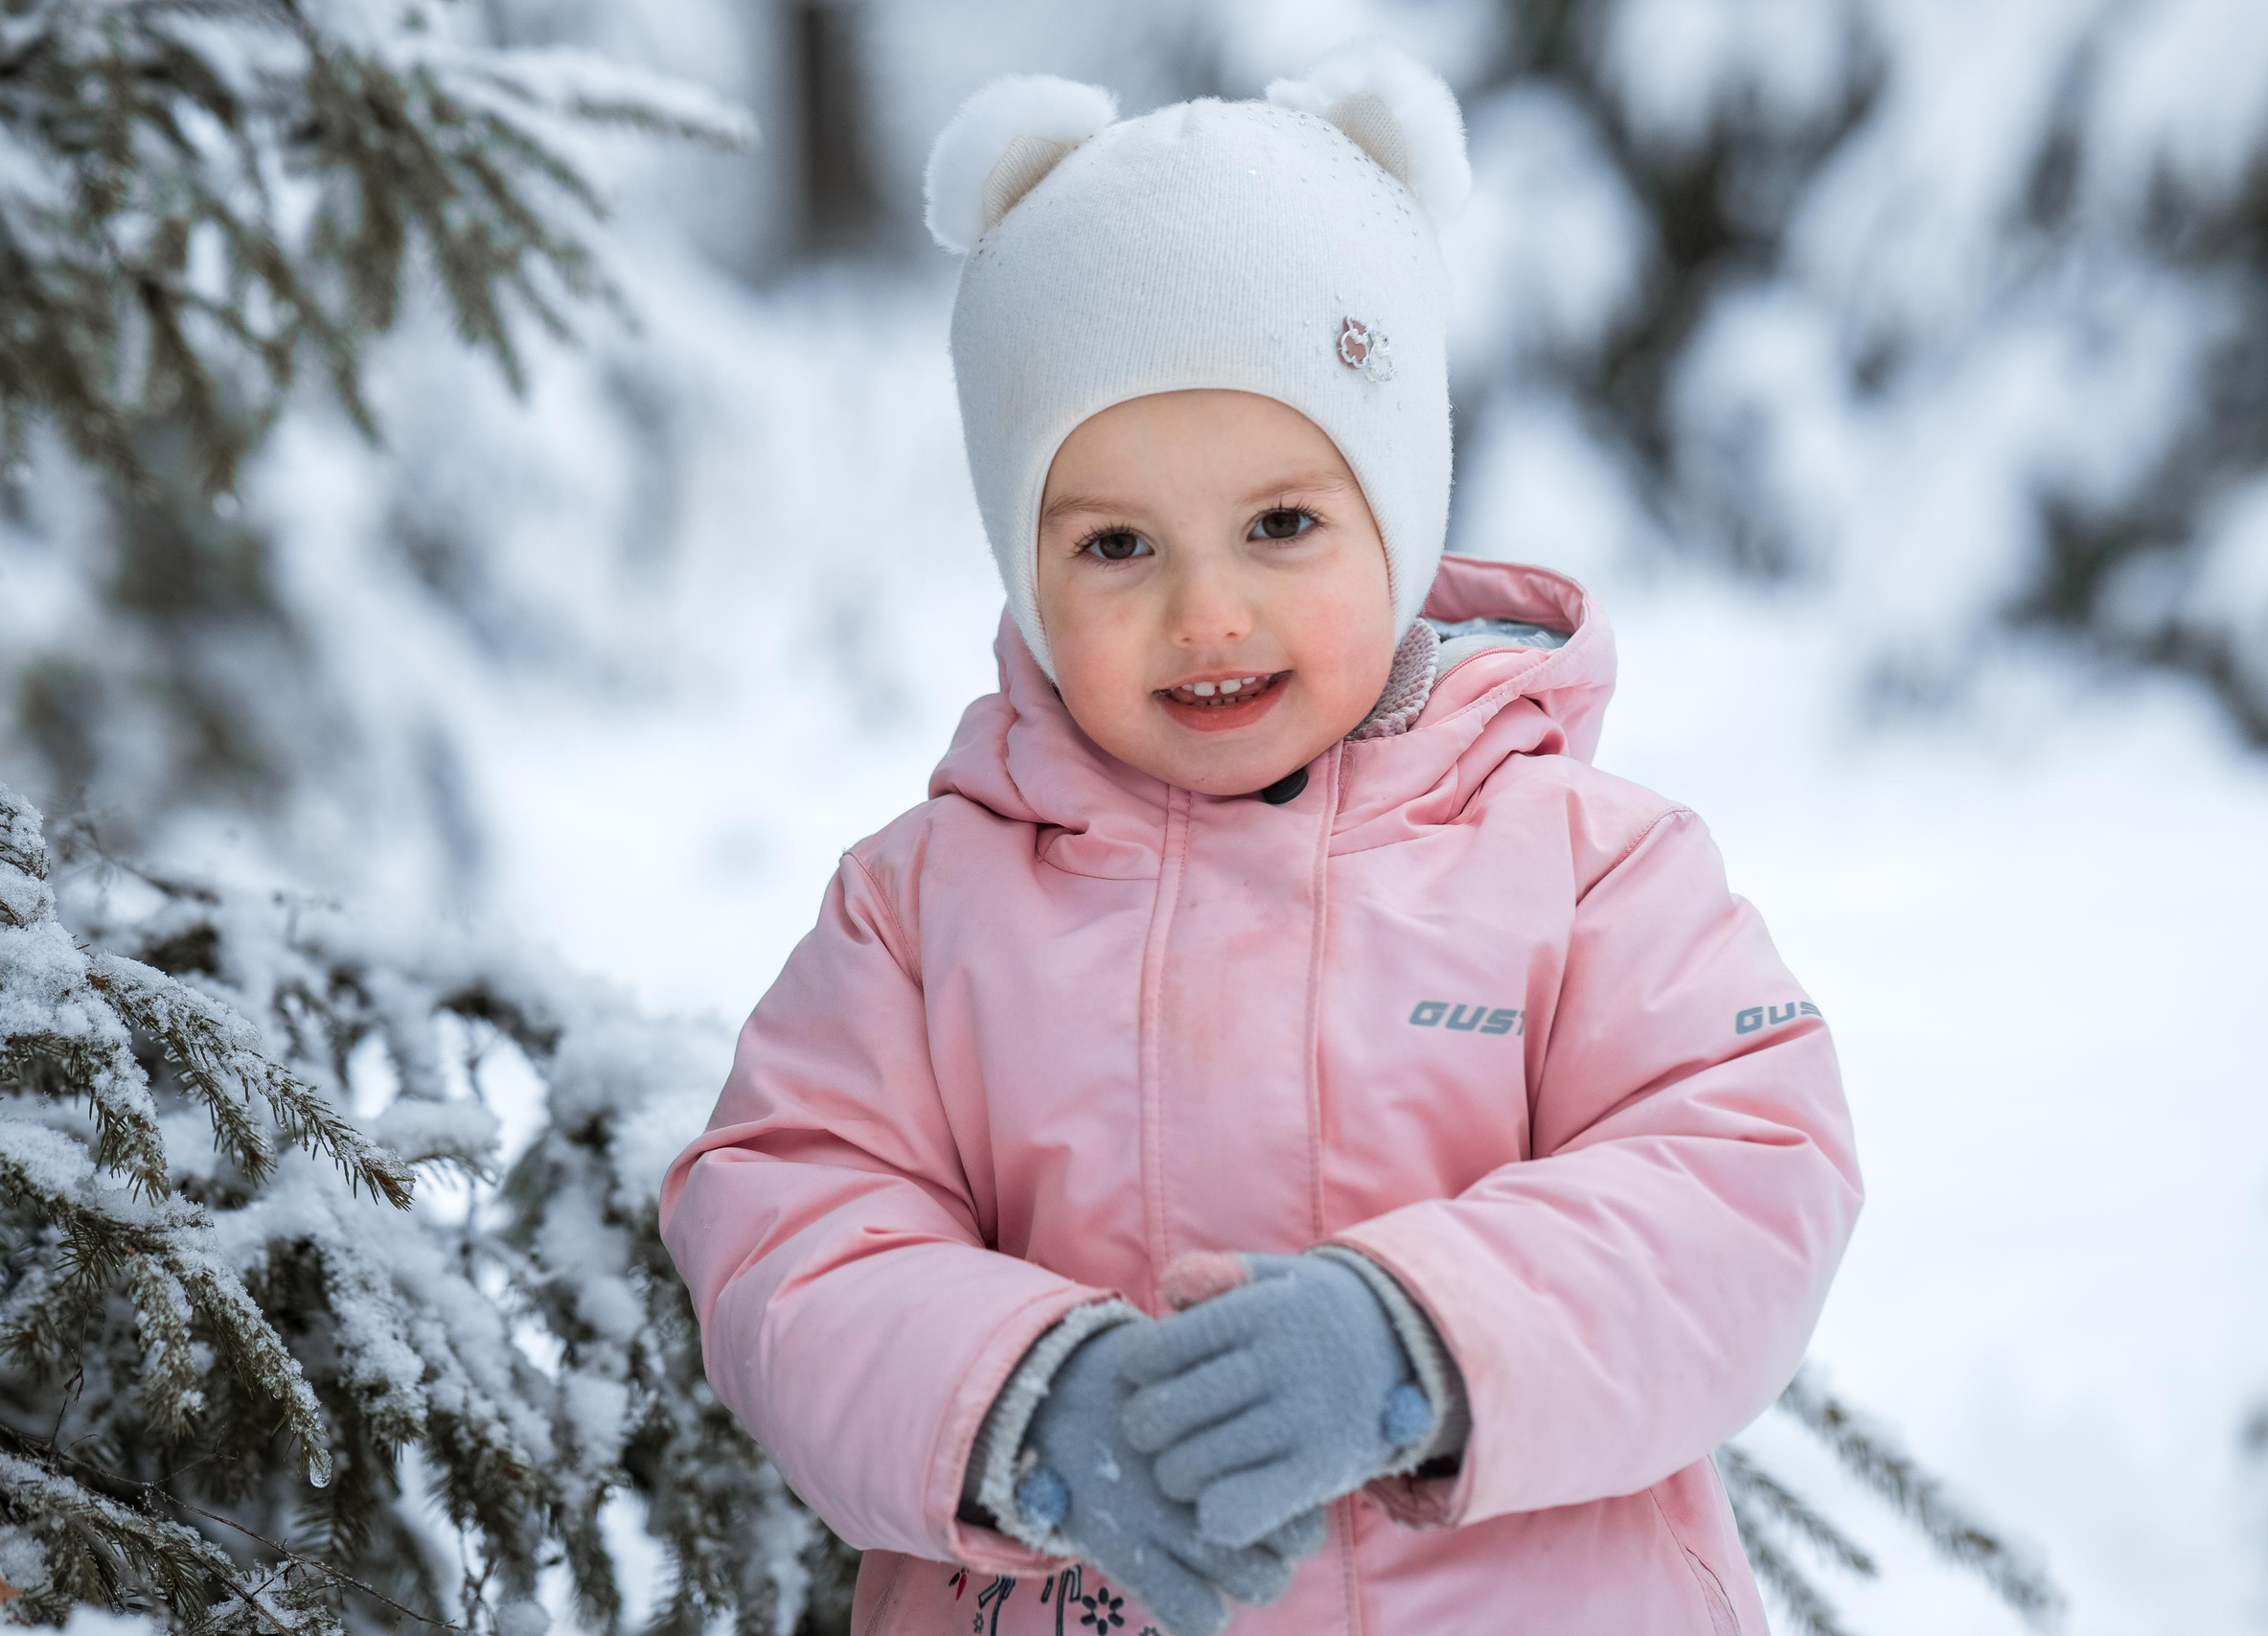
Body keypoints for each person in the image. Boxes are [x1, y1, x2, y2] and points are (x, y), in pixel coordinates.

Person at [660, 43, 1860, 1636]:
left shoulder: (1585, 872)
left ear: (1399, 518)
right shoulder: (922, 914)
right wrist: (1024, 1401)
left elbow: (1745, 1172)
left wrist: (1420, 1338)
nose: (1206, 610)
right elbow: (790, 1220)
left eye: (1282, 524)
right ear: (1023, 565)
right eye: (1115, 545)